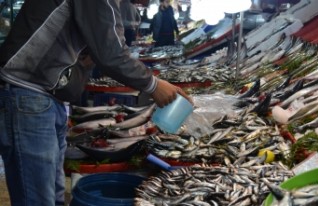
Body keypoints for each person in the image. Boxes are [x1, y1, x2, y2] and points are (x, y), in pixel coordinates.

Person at [0, 0, 191, 205]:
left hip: (45, 96)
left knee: (52, 196)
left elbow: (106, 39)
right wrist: (153, 85)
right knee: (37, 199)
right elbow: (111, 52)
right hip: (27, 94)